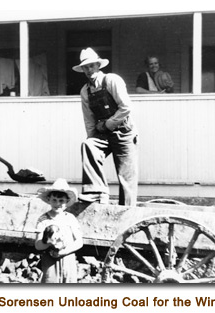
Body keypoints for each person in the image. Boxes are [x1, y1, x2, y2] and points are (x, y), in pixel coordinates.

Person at [72, 47, 138, 206]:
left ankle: (126, 214)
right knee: (89, 145)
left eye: (91, 66)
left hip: (124, 133)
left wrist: (108, 124)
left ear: (98, 66)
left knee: (126, 178)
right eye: (85, 68)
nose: (89, 70)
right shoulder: (85, 91)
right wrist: (94, 137)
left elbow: (126, 108)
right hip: (103, 135)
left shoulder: (112, 80)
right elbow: (89, 120)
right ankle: (95, 192)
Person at [35, 178, 83, 283]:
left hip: (68, 258)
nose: (57, 204)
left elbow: (79, 242)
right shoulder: (43, 219)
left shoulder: (70, 218)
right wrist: (47, 242)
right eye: (54, 200)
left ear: (67, 202)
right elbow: (38, 245)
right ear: (49, 200)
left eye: (61, 201)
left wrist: (64, 251)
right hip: (50, 260)